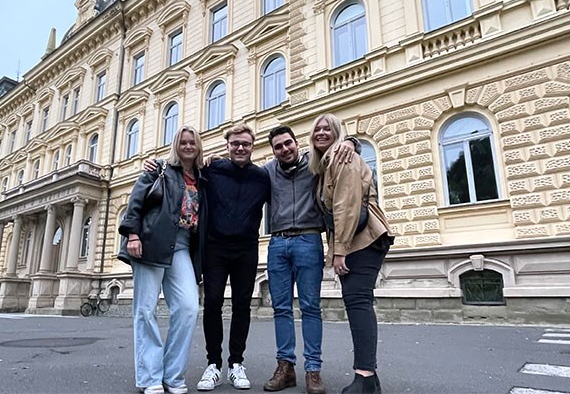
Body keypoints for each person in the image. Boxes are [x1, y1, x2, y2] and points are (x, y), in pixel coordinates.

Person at [146, 123, 270, 391]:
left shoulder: (262, 177)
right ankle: (213, 365)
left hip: (246, 250)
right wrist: (155, 165)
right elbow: (182, 168)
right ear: (227, 146)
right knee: (212, 303)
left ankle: (236, 364)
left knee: (242, 305)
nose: (240, 148)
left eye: (245, 144)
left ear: (252, 146)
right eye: (235, 143)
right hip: (215, 249)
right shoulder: (212, 169)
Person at [263, 126, 356, 394]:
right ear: (273, 151)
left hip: (308, 240)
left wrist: (350, 142)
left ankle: (313, 370)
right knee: (281, 308)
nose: (285, 149)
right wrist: (212, 161)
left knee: (310, 307)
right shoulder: (268, 171)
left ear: (296, 143)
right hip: (278, 242)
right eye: (278, 146)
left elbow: (340, 150)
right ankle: (285, 368)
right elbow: (241, 172)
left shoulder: (315, 165)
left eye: (288, 143)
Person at [118, 126, 208, 394]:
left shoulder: (202, 177)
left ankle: (172, 373)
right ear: (176, 145)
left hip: (181, 247)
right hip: (150, 243)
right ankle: (150, 377)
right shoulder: (159, 169)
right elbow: (136, 201)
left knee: (188, 307)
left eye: (193, 142)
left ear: (198, 146)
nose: (188, 146)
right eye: (184, 142)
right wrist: (132, 235)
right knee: (145, 310)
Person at [308, 114, 393, 394]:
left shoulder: (342, 157)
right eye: (317, 129)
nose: (321, 132)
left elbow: (346, 206)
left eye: (327, 129)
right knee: (359, 302)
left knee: (358, 303)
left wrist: (339, 252)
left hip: (362, 238)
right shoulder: (326, 163)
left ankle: (365, 377)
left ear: (337, 133)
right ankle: (371, 378)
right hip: (357, 238)